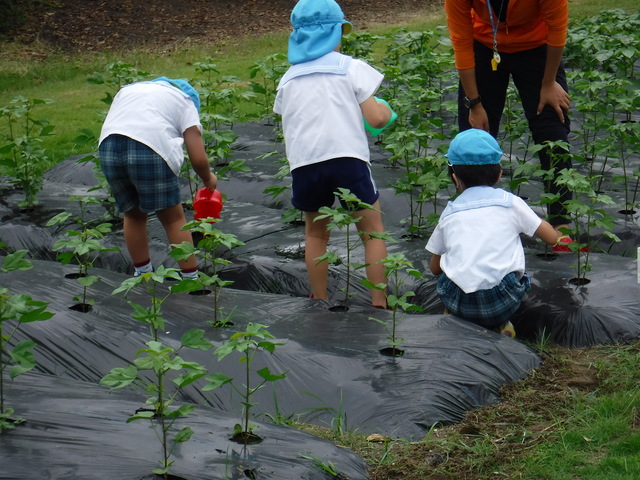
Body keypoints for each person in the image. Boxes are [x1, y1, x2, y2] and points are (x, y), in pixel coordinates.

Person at [273, 0, 396, 308]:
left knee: (315, 235)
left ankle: (319, 298)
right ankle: (379, 302)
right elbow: (378, 119)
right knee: (372, 231)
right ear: (336, 33)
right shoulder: (349, 67)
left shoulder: (288, 79)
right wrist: (385, 110)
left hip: (305, 164)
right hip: (347, 158)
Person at [444, 0, 574, 251]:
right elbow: (461, 40)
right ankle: (471, 218)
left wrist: (548, 83)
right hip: (485, 46)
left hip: (537, 47)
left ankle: (560, 224)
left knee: (553, 130)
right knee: (472, 139)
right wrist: (474, 103)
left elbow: (557, 30)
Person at [426, 129, 561, 336]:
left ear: (454, 178)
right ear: (499, 174)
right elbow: (551, 238)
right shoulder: (511, 204)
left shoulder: (450, 212)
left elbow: (434, 268)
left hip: (459, 301)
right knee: (517, 275)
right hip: (502, 300)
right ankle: (501, 324)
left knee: (449, 276)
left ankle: (456, 318)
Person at [98, 77, 218, 278]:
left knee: (133, 214)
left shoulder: (128, 91)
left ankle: (143, 273)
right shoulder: (185, 101)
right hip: (149, 149)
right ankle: (190, 277)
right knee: (173, 218)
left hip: (108, 148)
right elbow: (198, 157)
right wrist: (208, 179)